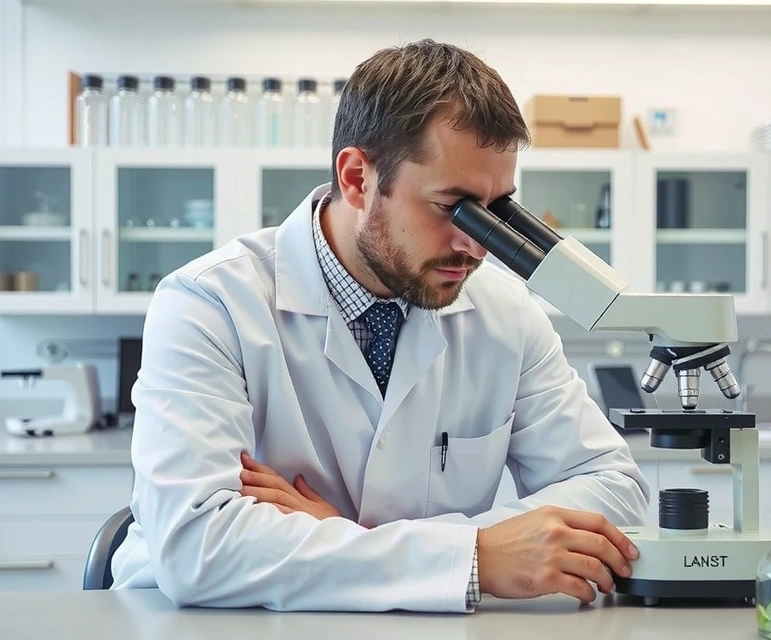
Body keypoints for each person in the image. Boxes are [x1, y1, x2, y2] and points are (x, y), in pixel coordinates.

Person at [111, 39, 651, 613]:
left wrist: (353, 538)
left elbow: (614, 491)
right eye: (454, 208)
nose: (478, 246)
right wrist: (475, 556)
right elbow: (198, 548)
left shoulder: (506, 314)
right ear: (357, 178)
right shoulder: (208, 304)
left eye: (496, 212)